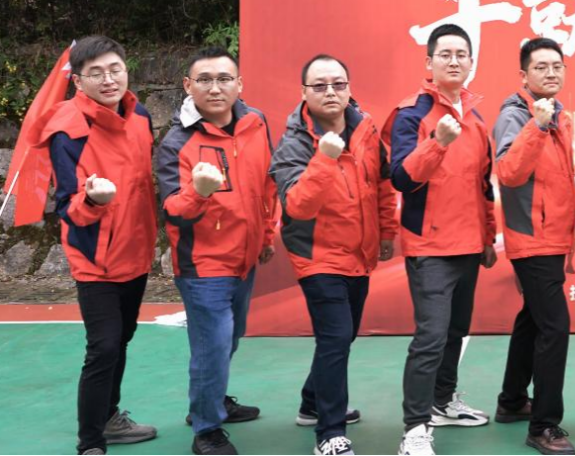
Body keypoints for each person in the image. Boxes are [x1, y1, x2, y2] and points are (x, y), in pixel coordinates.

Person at [269, 54, 398, 456]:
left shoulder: (365, 128)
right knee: (336, 336)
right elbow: (297, 206)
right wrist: (324, 158)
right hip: (317, 256)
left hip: (359, 252)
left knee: (343, 334)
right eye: (320, 85)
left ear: (349, 88)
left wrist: (387, 231)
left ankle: (312, 403)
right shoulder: (293, 143)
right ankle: (329, 433)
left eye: (338, 84)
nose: (330, 92)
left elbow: (382, 184)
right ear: (304, 92)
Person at [36, 36, 158, 456]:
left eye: (115, 69)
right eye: (96, 73)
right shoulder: (68, 131)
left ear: (126, 69)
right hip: (96, 258)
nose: (108, 80)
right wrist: (93, 200)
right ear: (78, 81)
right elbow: (67, 208)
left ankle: (109, 417)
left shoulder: (140, 115)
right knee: (103, 346)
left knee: (122, 337)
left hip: (137, 250)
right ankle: (90, 441)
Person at [156, 47, 277, 456]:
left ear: (239, 83)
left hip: (245, 258)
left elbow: (267, 185)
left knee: (230, 338)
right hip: (203, 266)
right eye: (204, 80)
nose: (215, 87)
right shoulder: (176, 142)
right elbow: (173, 211)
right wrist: (199, 192)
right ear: (188, 86)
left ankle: (214, 400)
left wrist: (266, 235)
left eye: (224, 79)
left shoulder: (256, 122)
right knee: (213, 346)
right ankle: (206, 429)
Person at [383, 24, 498, 456]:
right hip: (430, 247)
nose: (453, 61)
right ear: (429, 62)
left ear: (471, 63)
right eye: (445, 54)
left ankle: (443, 401)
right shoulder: (411, 114)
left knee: (456, 332)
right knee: (430, 339)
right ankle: (414, 429)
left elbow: (483, 185)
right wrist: (437, 142)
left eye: (461, 54)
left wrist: (488, 237)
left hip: (469, 245)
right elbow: (400, 178)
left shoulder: (476, 119)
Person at [492, 38, 575, 455]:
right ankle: (543, 425)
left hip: (553, 237)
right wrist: (537, 126)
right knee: (554, 327)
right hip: (532, 238)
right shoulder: (516, 115)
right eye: (541, 67)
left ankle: (512, 401)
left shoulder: (557, 114)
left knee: (533, 318)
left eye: (556, 66)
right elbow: (508, 173)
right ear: (523, 75)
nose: (550, 73)